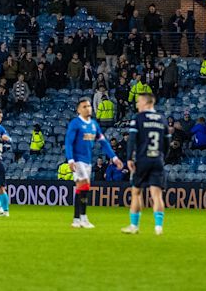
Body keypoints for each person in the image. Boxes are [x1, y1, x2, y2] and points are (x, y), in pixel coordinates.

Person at [64, 98, 124, 229]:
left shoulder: (94, 125)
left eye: (89, 106)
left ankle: (76, 219)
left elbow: (104, 143)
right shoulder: (75, 123)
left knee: (83, 189)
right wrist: (70, 159)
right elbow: (68, 142)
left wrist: (114, 158)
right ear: (79, 110)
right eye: (84, 106)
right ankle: (83, 218)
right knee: (84, 186)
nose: (88, 108)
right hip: (78, 160)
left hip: (87, 162)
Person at [121, 93, 167, 236]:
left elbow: (132, 140)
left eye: (139, 101)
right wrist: (162, 157)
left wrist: (129, 158)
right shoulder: (162, 119)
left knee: (136, 192)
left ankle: (134, 226)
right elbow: (167, 144)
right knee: (157, 195)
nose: (137, 105)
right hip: (158, 160)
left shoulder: (139, 118)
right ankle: (158, 228)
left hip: (143, 160)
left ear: (148, 103)